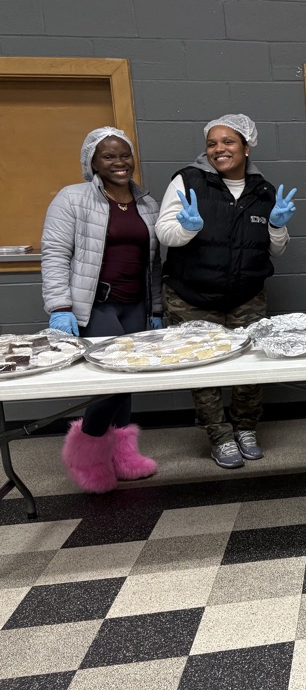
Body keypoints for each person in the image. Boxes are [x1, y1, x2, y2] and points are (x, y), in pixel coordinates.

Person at [155, 114, 297, 469]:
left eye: (229, 142)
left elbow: (276, 249)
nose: (220, 149)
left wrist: (277, 226)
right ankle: (219, 435)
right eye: (213, 143)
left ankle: (246, 428)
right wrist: (188, 229)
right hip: (190, 297)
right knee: (203, 367)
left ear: (247, 147)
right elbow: (164, 233)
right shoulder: (187, 181)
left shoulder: (263, 190)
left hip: (246, 295)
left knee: (251, 365)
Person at [42, 127, 163, 493]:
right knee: (111, 382)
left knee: (127, 384)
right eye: (108, 156)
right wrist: (60, 306)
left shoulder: (147, 203)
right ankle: (85, 456)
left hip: (135, 305)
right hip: (93, 304)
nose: (119, 162)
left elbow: (154, 263)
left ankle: (123, 457)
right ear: (92, 162)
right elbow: (55, 253)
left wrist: (156, 307)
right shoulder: (73, 199)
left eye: (124, 154)